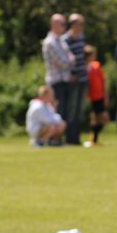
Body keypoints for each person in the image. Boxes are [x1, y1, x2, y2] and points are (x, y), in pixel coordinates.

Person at [41, 13, 74, 143]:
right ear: (54, 25)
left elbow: (70, 59)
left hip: (64, 80)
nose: (64, 27)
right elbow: (63, 62)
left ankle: (60, 138)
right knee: (56, 113)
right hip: (55, 82)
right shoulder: (50, 42)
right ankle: (53, 139)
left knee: (64, 113)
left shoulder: (61, 41)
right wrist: (68, 61)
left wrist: (68, 61)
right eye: (62, 24)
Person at [62, 13, 88, 145]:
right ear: (73, 25)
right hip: (73, 79)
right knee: (71, 110)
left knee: (79, 110)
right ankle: (70, 138)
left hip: (83, 77)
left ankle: (76, 138)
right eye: (80, 24)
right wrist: (70, 74)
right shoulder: (65, 40)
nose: (82, 27)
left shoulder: (81, 38)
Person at [84, 45, 109, 146]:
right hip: (92, 96)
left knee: (102, 117)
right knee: (96, 117)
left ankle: (94, 137)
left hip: (100, 95)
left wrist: (106, 95)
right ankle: (94, 138)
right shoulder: (84, 67)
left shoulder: (96, 65)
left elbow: (103, 81)